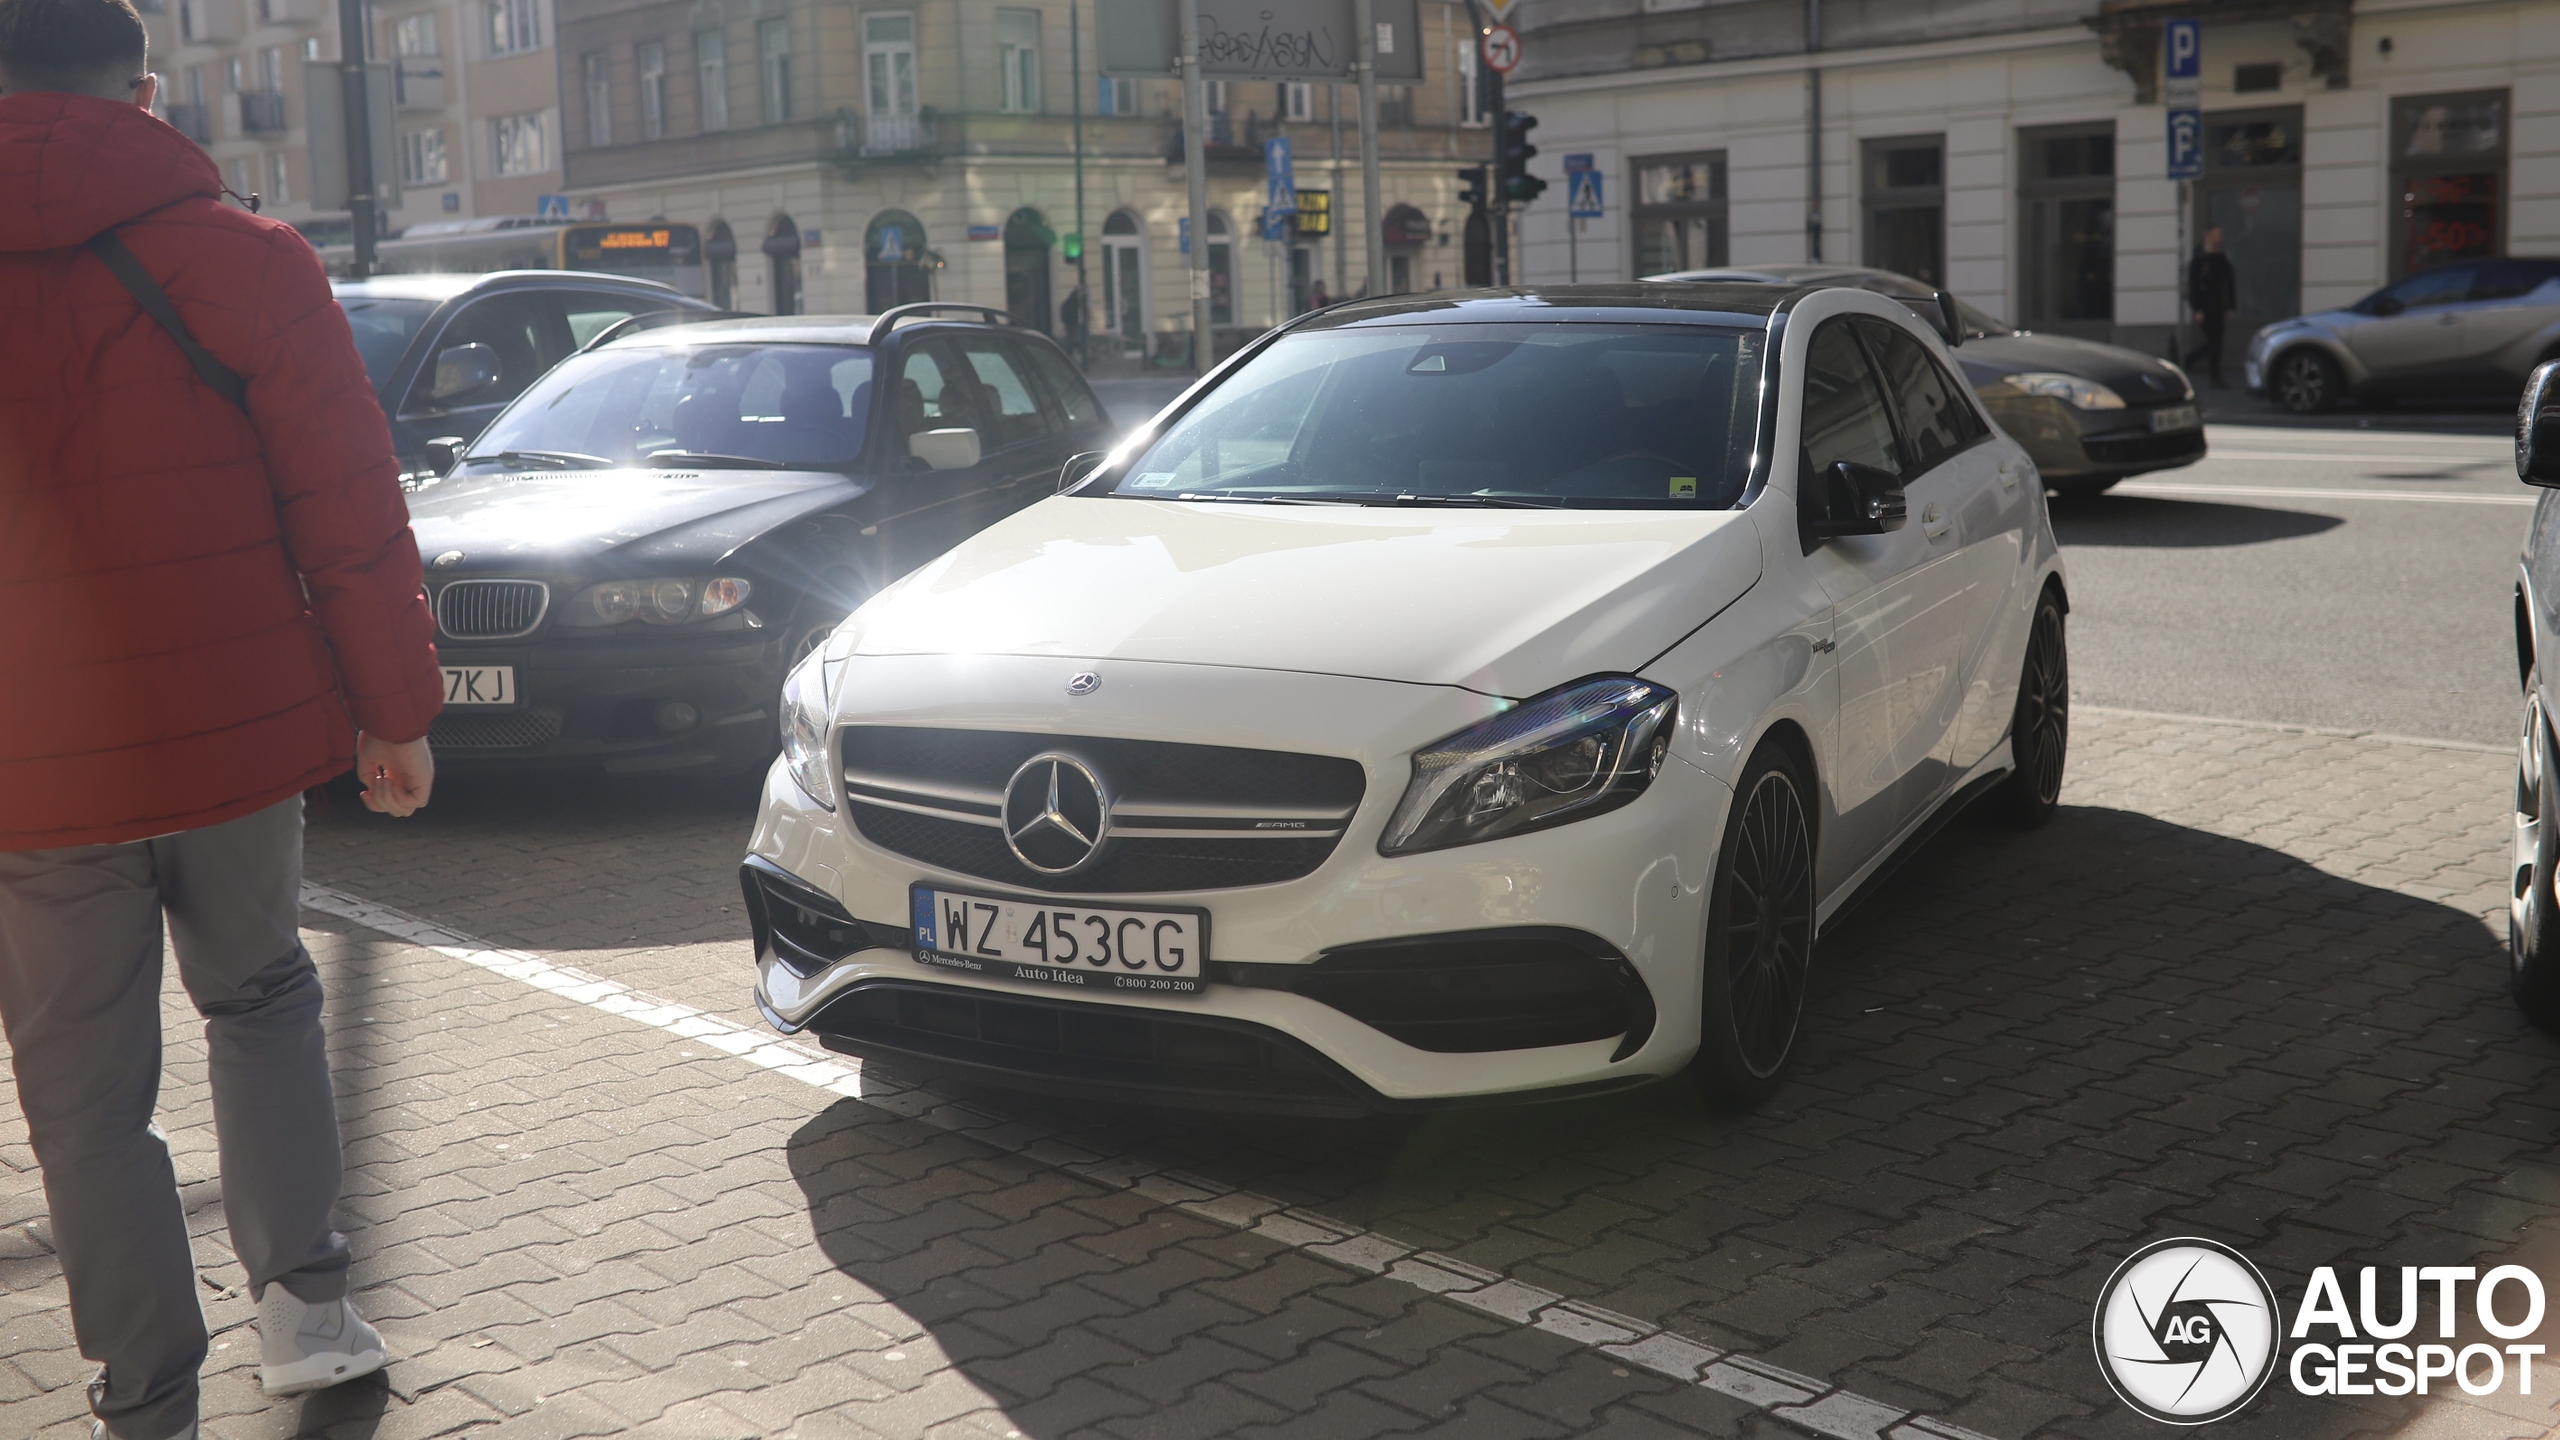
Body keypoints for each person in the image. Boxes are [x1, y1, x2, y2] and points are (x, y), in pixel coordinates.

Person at [0, 0, 444, 1435]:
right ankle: (307, 1313)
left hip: (33, 765)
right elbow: (349, 503)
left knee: (79, 1093)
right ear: (139, 93)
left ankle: (146, 1397)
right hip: (237, 733)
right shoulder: (246, 259)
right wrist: (395, 707)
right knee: (261, 1003)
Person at [2185, 226, 2239, 386]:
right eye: (2217, 235)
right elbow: (2194, 285)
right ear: (2208, 236)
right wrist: (2197, 309)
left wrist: (2229, 305)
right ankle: (2211, 374)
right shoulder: (2199, 259)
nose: (2220, 238)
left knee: (2216, 342)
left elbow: (2229, 282)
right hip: (2205, 307)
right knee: (2214, 342)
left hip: (2219, 306)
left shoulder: (2222, 258)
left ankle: (2207, 370)